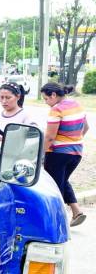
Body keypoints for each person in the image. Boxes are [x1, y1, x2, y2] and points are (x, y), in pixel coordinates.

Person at [41, 82, 89, 227]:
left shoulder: (56, 110)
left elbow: (50, 137)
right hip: (76, 153)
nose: (46, 103)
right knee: (62, 180)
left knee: (54, 187)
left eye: (46, 99)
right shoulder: (76, 105)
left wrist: (41, 155)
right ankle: (76, 212)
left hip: (58, 154)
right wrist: (73, 141)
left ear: (53, 95)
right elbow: (86, 127)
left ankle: (57, 223)